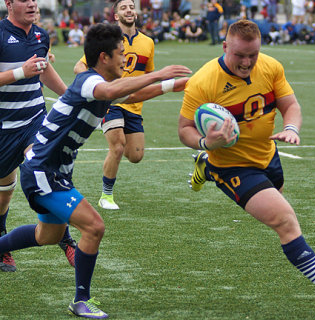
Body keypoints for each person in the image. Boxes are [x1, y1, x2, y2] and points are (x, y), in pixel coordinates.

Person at [0, 22, 191, 318]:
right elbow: (112, 89)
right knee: (94, 227)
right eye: (120, 54)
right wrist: (159, 73)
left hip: (53, 171)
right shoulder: (90, 82)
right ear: (104, 58)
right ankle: (81, 300)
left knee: (46, 236)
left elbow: (129, 96)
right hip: (43, 173)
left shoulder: (99, 87)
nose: (125, 61)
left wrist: (170, 86)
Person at [177, 19, 315, 314]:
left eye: (253, 55)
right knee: (285, 219)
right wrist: (208, 144)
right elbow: (184, 129)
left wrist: (292, 128)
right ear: (225, 47)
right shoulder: (203, 82)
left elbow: (291, 105)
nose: (247, 63)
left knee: (281, 206)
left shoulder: (271, 67)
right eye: (239, 56)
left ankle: (205, 169)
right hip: (232, 166)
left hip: (267, 155)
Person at [0, 0, 76, 272]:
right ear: (9, 4)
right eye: (24, 0)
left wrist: (71, 98)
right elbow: (29, 70)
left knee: (45, 169)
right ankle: (2, 243)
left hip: (35, 120)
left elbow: (44, 71)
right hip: (3, 129)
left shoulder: (41, 35)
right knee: (3, 194)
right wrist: (21, 71)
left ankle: (66, 239)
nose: (32, 3)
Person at [74, 0, 158, 210]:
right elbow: (80, 66)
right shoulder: (107, 40)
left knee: (136, 155)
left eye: (131, 6)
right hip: (110, 102)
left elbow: (148, 76)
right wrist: (99, 87)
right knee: (118, 145)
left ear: (136, 13)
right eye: (123, 8)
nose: (129, 10)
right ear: (116, 16)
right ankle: (106, 196)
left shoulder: (148, 42)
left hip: (133, 104)